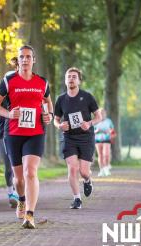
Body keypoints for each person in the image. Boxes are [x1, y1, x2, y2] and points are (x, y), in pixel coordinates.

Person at [0, 45, 53, 229]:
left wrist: (48, 114)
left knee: (30, 172)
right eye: (21, 57)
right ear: (17, 60)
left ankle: (30, 214)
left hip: (35, 133)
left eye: (28, 57)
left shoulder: (42, 82)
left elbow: (48, 102)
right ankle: (22, 200)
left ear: (34, 60)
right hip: (13, 133)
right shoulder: (9, 80)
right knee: (18, 179)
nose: (25, 60)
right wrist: (9, 114)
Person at [53, 67, 102, 209]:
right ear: (65, 80)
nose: (71, 79)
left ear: (79, 80)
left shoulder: (87, 97)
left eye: (74, 76)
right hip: (69, 138)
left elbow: (98, 117)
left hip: (86, 137)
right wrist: (60, 126)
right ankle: (77, 199)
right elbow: (55, 119)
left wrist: (89, 123)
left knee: (84, 171)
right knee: (73, 168)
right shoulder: (61, 99)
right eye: (69, 76)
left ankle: (87, 180)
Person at [0, 57, 20, 208]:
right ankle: (11, 193)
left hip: (22, 132)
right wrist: (7, 112)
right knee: (9, 165)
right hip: (3, 132)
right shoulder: (1, 92)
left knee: (21, 165)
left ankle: (21, 193)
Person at [94, 109, 115, 176]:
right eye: (101, 113)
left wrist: (109, 131)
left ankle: (106, 168)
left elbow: (112, 131)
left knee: (106, 154)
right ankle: (101, 170)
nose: (102, 114)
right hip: (98, 139)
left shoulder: (109, 121)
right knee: (100, 155)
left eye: (103, 113)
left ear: (105, 114)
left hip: (106, 139)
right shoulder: (95, 121)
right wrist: (96, 131)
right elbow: (92, 132)